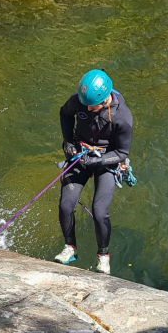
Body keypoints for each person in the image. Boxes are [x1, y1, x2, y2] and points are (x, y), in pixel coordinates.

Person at [56, 69, 134, 275]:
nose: (88, 108)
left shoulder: (122, 118)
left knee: (100, 212)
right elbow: (64, 114)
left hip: (107, 159)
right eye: (85, 104)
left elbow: (122, 152)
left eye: (93, 105)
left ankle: (103, 255)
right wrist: (69, 142)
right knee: (66, 206)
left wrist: (96, 161)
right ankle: (70, 248)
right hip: (81, 154)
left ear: (105, 99)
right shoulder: (82, 101)